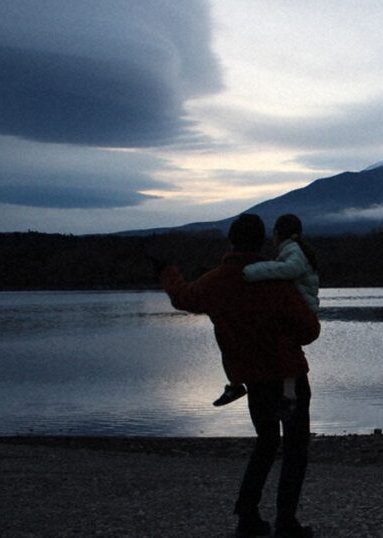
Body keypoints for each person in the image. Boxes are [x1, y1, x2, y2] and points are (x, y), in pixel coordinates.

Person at [156, 213, 320, 538]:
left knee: (266, 442)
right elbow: (309, 330)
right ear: (263, 243)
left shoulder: (218, 281)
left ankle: (247, 516)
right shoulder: (274, 281)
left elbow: (183, 297)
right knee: (295, 448)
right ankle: (286, 522)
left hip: (254, 379)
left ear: (231, 241)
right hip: (289, 377)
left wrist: (166, 272)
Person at [212, 213, 320, 419]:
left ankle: (283, 395)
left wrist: (254, 271)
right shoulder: (294, 250)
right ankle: (283, 395)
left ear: (277, 234)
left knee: (284, 343)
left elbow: (290, 269)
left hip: (304, 309)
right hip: (304, 308)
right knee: (284, 345)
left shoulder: (293, 252)